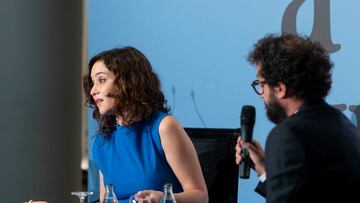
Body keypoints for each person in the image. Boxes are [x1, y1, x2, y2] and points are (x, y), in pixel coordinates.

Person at [235, 34, 360, 203]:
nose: (261, 94)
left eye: (262, 84)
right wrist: (266, 169)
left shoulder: (287, 135)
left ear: (280, 89)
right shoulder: (342, 124)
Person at [83, 46, 208, 203]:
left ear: (127, 81)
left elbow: (201, 196)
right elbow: (105, 200)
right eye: (93, 82)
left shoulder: (164, 127)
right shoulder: (102, 141)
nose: (93, 90)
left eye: (101, 80)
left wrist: (163, 198)